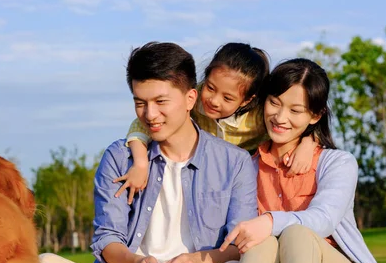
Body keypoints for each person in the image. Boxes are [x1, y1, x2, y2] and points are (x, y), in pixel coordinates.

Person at [37, 42, 257, 263]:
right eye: (140, 103)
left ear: (190, 98)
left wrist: (199, 262)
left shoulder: (235, 162)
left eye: (161, 102)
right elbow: (107, 240)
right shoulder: (119, 158)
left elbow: (238, 244)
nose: (150, 114)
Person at [218, 58, 386, 263]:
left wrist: (268, 221)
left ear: (315, 115)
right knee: (261, 239)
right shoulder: (247, 167)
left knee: (296, 230)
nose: (280, 117)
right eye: (274, 103)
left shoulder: (338, 163)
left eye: (296, 110)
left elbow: (323, 220)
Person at [115, 43, 318, 205]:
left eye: (228, 98)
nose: (214, 100)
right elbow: (143, 123)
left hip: (238, 179)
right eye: (210, 88)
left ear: (247, 100)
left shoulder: (258, 117)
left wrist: (308, 143)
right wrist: (141, 163)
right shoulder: (192, 102)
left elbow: (295, 124)